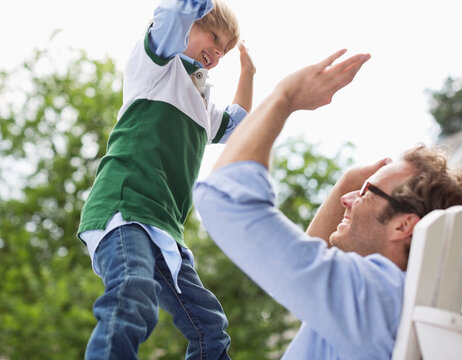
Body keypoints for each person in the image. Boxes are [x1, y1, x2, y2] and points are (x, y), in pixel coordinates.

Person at [193, 50, 462, 359]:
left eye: (366, 193)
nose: (348, 199)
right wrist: (350, 183)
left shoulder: (376, 297)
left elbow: (223, 199)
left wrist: (286, 96)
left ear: (403, 225)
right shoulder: (389, 303)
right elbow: (298, 270)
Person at [77, 0, 255, 358]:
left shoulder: (203, 104)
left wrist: (248, 73)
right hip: (125, 209)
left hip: (165, 232)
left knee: (210, 327)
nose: (216, 54)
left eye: (223, 51)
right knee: (132, 294)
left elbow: (240, 126)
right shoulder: (157, 64)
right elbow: (176, 12)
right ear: (190, 23)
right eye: (213, 37)